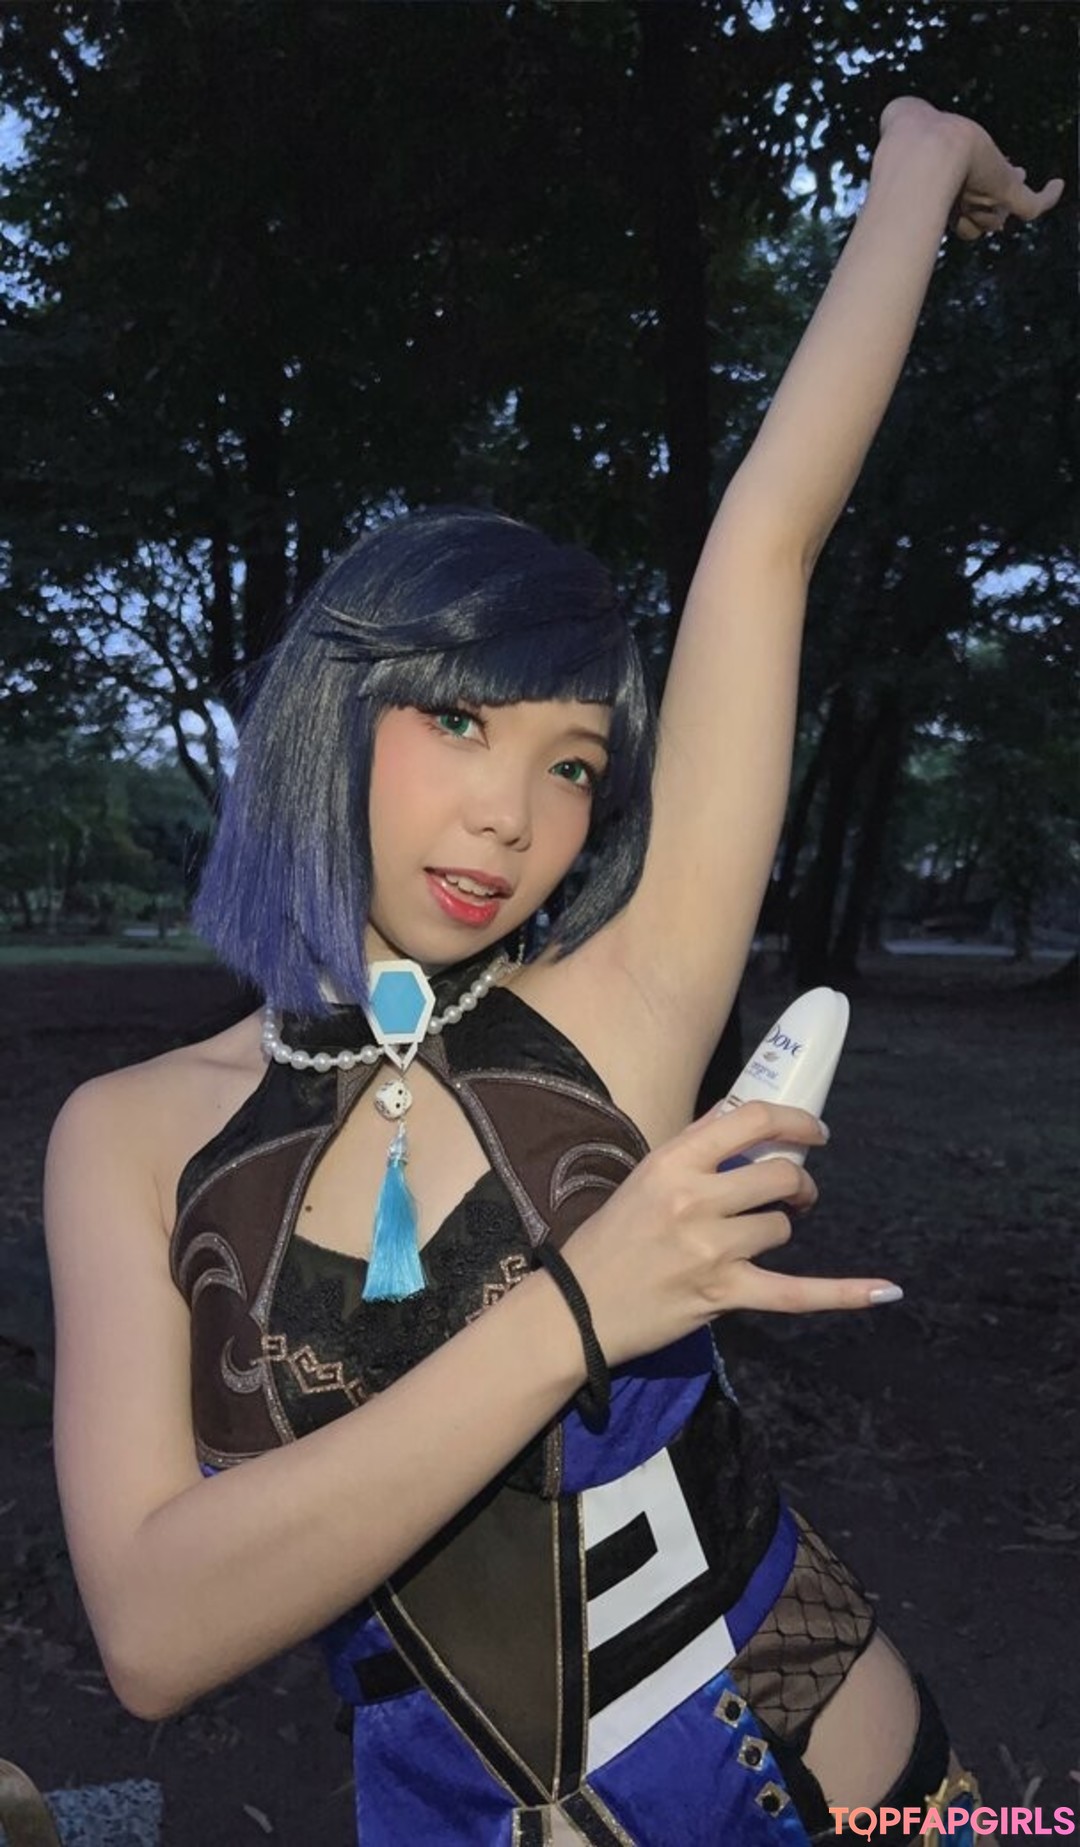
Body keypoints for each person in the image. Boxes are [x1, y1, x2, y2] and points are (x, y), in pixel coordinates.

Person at [44, 98, 1061, 1847]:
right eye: (458, 722)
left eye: (573, 763)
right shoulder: (130, 1139)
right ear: (339, 710)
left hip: (868, 1794)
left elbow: (769, 540)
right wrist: (583, 1309)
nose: (512, 814)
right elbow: (150, 1630)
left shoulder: (620, 1008)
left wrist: (913, 167)